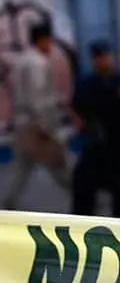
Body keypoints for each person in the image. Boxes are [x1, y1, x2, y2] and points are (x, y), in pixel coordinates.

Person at [70, 40, 120, 218]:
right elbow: (74, 105)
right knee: (84, 183)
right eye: (99, 57)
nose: (103, 61)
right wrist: (79, 122)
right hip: (96, 140)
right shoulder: (87, 83)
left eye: (105, 56)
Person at [2, 22, 70, 210]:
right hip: (37, 126)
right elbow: (38, 98)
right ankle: (83, 196)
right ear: (43, 40)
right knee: (59, 164)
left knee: (22, 168)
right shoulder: (38, 63)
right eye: (49, 41)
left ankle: (9, 204)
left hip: (23, 124)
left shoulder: (22, 60)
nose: (51, 46)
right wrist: (46, 127)